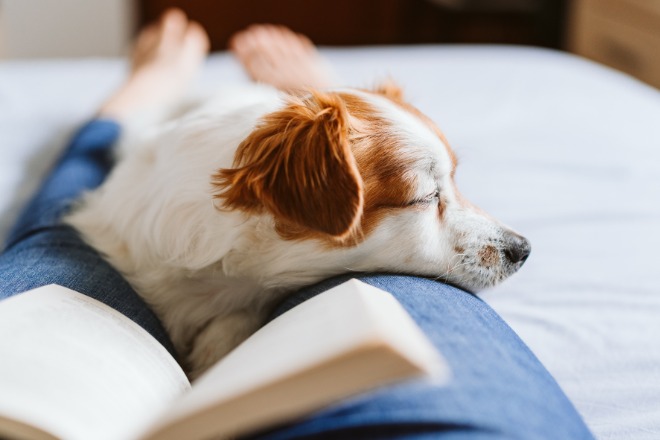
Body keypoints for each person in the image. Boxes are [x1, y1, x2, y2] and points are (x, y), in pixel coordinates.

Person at [0, 9, 594, 439]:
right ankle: (135, 106)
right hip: (186, 175)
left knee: (50, 239)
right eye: (425, 199)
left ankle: (301, 96)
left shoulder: (322, 192)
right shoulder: (294, 189)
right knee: (77, 202)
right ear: (303, 197)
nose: (495, 232)